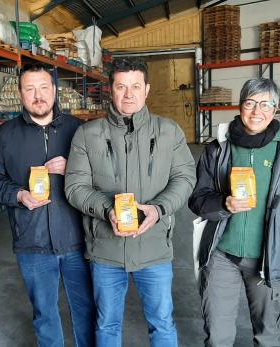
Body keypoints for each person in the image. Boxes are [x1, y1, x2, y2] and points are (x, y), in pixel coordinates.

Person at [64, 57, 196, 347]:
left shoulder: (168, 131)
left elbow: (185, 177)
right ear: (110, 89)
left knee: (162, 323)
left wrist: (158, 209)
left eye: (136, 86)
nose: (129, 94)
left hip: (154, 247)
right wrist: (107, 209)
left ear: (147, 89)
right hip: (106, 250)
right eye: (121, 86)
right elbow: (74, 186)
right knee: (107, 324)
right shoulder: (87, 134)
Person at [188, 78, 280, 346]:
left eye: (265, 104)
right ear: (240, 106)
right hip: (221, 255)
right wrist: (224, 204)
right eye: (250, 103)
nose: (256, 111)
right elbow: (198, 199)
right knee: (217, 336)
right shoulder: (218, 150)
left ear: (275, 109)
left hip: (270, 260)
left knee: (267, 335)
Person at [0, 63, 95, 347]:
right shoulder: (5, 134)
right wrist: (18, 195)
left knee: (87, 310)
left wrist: (75, 167)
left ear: (54, 91)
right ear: (20, 94)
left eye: (43, 88)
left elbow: (102, 175)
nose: (38, 95)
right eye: (30, 89)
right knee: (44, 314)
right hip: (32, 241)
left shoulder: (79, 130)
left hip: (78, 239)